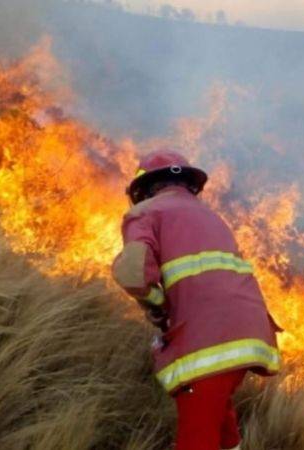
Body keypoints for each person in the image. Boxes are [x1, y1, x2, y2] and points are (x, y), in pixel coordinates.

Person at [112, 149, 282, 450]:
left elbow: (132, 272)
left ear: (147, 188)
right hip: (252, 331)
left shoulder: (146, 212)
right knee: (220, 418)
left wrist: (157, 304)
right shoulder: (213, 217)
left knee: (196, 438)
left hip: (207, 338)